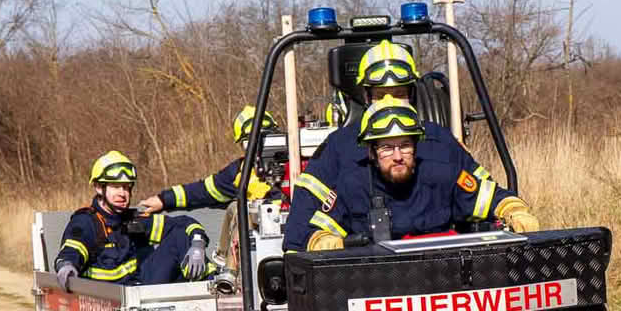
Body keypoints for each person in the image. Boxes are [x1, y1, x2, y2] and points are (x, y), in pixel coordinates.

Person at [285, 40, 520, 250]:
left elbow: (480, 194)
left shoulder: (440, 142)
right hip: (364, 275)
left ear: (413, 94)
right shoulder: (338, 148)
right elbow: (302, 227)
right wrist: (319, 241)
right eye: (380, 95)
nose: (390, 103)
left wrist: (511, 207)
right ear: (366, 97)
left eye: (398, 94)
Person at [292, 99, 539, 251]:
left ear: (416, 146)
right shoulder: (352, 184)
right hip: (379, 288)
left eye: (405, 146)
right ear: (371, 151)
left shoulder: (442, 172)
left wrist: (514, 210)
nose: (398, 156)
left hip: (443, 281)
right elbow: (316, 232)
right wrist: (326, 242)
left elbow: (491, 196)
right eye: (387, 147)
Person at [54, 151, 216, 288]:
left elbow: (180, 224)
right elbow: (72, 249)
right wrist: (67, 265)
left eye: (126, 187)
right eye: (116, 187)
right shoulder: (86, 221)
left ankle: (214, 286)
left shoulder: (132, 220)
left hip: (142, 292)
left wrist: (197, 244)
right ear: (98, 187)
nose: (122, 193)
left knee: (180, 235)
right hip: (108, 301)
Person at [137, 105, 283, 215]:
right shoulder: (239, 174)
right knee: (236, 210)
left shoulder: (301, 162)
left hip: (298, 245)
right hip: (261, 243)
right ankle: (223, 255)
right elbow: (203, 191)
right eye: (252, 141)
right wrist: (164, 200)